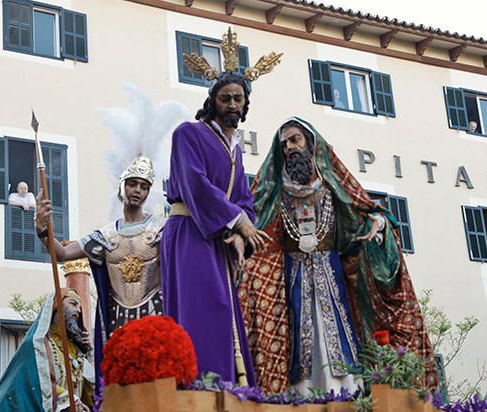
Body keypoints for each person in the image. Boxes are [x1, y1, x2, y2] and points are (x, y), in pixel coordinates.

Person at [239, 117, 439, 393]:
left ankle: (348, 387)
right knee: (299, 338)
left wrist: (377, 227)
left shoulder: (333, 187)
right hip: (292, 278)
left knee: (340, 335)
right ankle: (302, 393)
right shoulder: (274, 194)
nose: (290, 148)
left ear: (311, 144)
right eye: (284, 144)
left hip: (331, 273)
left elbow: (367, 214)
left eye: (295, 140)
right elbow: (256, 231)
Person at [162, 28, 281, 386]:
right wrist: (239, 224)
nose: (233, 105)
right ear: (213, 100)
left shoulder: (236, 150)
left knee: (225, 308)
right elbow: (196, 185)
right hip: (190, 232)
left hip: (220, 240)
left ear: (246, 104)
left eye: (238, 99)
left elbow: (244, 197)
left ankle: (230, 386)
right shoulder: (188, 134)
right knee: (202, 307)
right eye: (226, 98)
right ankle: (199, 386)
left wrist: (242, 236)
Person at [35, 155, 164, 395]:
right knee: (120, 390)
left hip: (154, 316)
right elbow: (62, 254)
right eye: (133, 184)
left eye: (144, 186)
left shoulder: (162, 230)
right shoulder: (105, 237)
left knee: (156, 386)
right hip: (117, 321)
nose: (137, 191)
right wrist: (42, 230)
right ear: (122, 185)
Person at [0, 289, 94, 411]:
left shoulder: (76, 352)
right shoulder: (38, 346)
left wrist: (90, 353)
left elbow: (94, 391)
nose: (78, 310)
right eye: (73, 303)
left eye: (79, 306)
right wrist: (69, 400)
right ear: (56, 306)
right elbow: (35, 384)